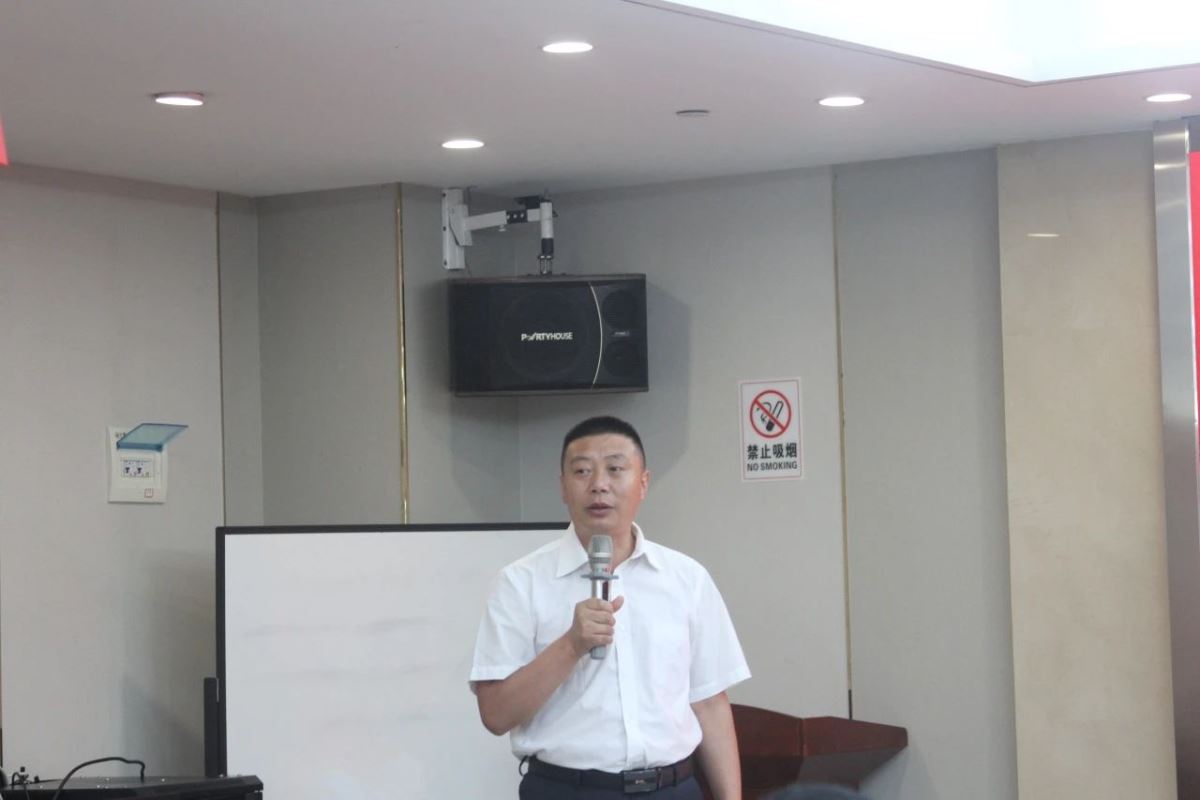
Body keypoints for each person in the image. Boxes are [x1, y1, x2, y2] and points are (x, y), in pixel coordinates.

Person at [470, 415, 751, 799]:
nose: (599, 484)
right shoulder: (520, 583)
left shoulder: (687, 578)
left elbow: (710, 704)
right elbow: (496, 714)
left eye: (615, 469)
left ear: (643, 483)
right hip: (569, 790)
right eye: (582, 471)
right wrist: (571, 645)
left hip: (673, 788)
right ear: (563, 487)